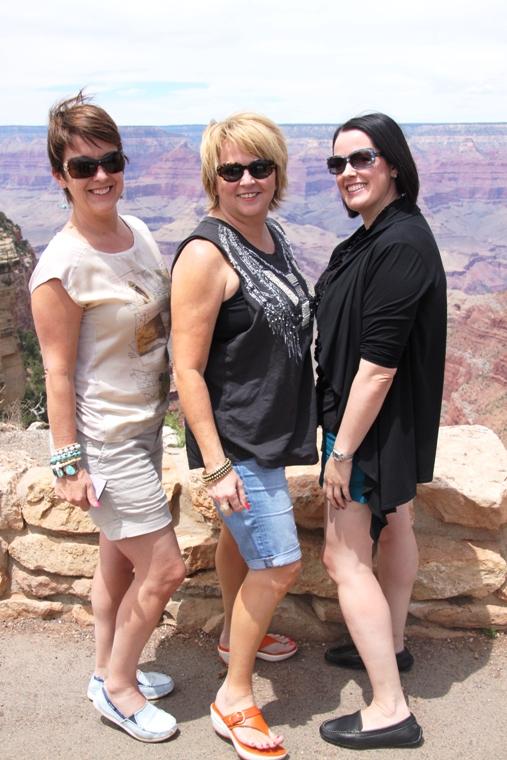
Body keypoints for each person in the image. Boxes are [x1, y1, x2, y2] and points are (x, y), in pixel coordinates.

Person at [30, 92, 186, 743]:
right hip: (107, 441)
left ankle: (104, 669)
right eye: (82, 166)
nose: (100, 176)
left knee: (117, 564)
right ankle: (119, 691)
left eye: (110, 160)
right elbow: (58, 374)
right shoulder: (61, 269)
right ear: (60, 176)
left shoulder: (138, 232)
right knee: (165, 568)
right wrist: (68, 462)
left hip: (146, 428)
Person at [171, 112, 317, 760]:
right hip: (232, 445)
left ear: (277, 171)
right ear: (213, 178)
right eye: (232, 170)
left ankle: (235, 636)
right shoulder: (206, 254)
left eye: (260, 166)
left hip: (266, 431)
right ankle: (233, 697)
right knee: (280, 561)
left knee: (242, 546)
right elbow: (186, 367)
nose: (248, 179)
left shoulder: (269, 234)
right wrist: (215, 467)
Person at [314, 113, 447, 750]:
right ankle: (392, 645)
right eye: (337, 164)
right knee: (397, 525)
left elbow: (377, 367)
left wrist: (339, 453)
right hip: (388, 425)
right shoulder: (377, 235)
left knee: (342, 556)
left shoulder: (398, 244)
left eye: (362, 159)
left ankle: (390, 708)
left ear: (392, 163)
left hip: (367, 427)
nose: (348, 173)